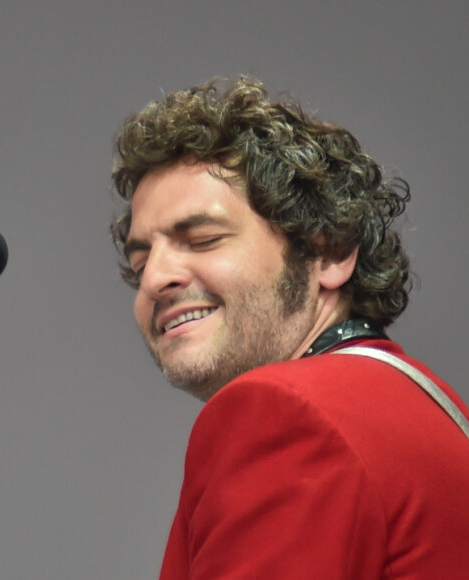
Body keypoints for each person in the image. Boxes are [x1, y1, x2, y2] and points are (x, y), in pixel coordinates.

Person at [110, 77, 469, 579]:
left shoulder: (284, 415)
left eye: (203, 239)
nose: (153, 279)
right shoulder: (436, 414)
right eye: (140, 260)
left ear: (329, 252)